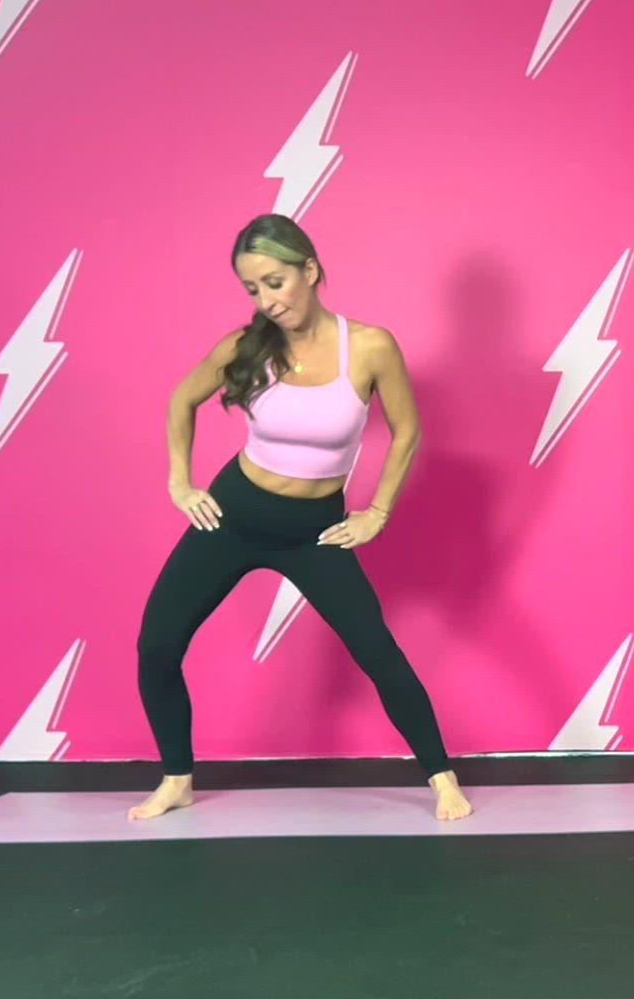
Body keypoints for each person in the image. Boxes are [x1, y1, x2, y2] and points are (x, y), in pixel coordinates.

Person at [127, 214, 472, 822]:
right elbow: (183, 399)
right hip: (234, 515)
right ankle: (177, 778)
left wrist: (378, 512)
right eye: (252, 288)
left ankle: (442, 778)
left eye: (275, 282)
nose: (267, 300)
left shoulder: (370, 346)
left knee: (376, 650)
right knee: (157, 644)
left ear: (308, 270)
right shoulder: (245, 346)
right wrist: (180, 482)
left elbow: (407, 431)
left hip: (313, 530)